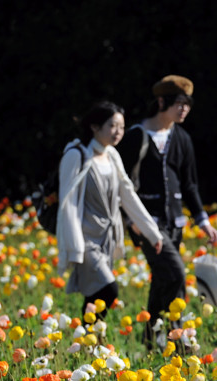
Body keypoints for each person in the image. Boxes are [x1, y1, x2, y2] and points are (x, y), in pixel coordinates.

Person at [117, 74, 217, 350]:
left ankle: (152, 337)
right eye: (179, 103)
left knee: (163, 278)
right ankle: (181, 336)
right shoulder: (136, 136)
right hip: (146, 224)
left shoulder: (182, 137)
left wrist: (203, 221)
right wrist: (131, 220)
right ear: (162, 101)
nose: (184, 109)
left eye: (188, 104)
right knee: (176, 273)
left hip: (176, 222)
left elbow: (190, 184)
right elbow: (120, 184)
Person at [56, 101, 164, 320]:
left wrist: (152, 232)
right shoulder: (76, 155)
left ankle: (89, 342)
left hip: (107, 237)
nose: (118, 132)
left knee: (94, 295)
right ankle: (89, 336)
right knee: (108, 289)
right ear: (95, 127)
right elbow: (68, 203)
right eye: (113, 126)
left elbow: (128, 195)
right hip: (85, 238)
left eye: (122, 127)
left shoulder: (112, 155)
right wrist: (75, 246)